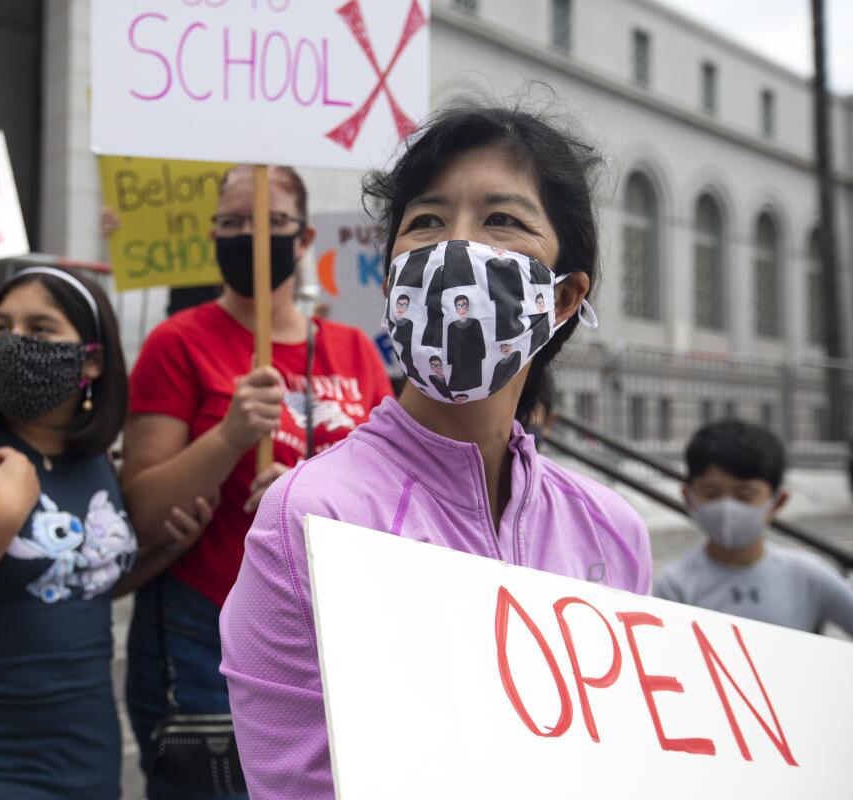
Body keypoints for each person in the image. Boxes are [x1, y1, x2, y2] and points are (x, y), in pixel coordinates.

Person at [219, 105, 652, 799]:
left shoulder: (613, 533)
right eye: (425, 222)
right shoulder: (307, 516)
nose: (456, 248)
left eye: (501, 220)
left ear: (564, 297)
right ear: (391, 285)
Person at [0, 266, 209, 797]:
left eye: (40, 328)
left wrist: (165, 550)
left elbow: (75, 580)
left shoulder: (94, 459)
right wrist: (2, 519)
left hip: (86, 756)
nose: (14, 342)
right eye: (1, 327)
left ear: (92, 360)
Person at [121, 164, 394, 800]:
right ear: (213, 235)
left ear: (303, 240)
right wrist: (229, 438)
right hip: (204, 632)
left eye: (270, 223)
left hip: (332, 635)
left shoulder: (356, 352)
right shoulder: (176, 344)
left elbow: (393, 493)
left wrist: (304, 490)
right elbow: (141, 512)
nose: (249, 236)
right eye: (234, 223)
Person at [654, 420, 853, 635]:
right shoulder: (672, 586)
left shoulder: (809, 576)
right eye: (711, 493)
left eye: (744, 495)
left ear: (778, 501)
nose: (727, 508)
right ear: (688, 497)